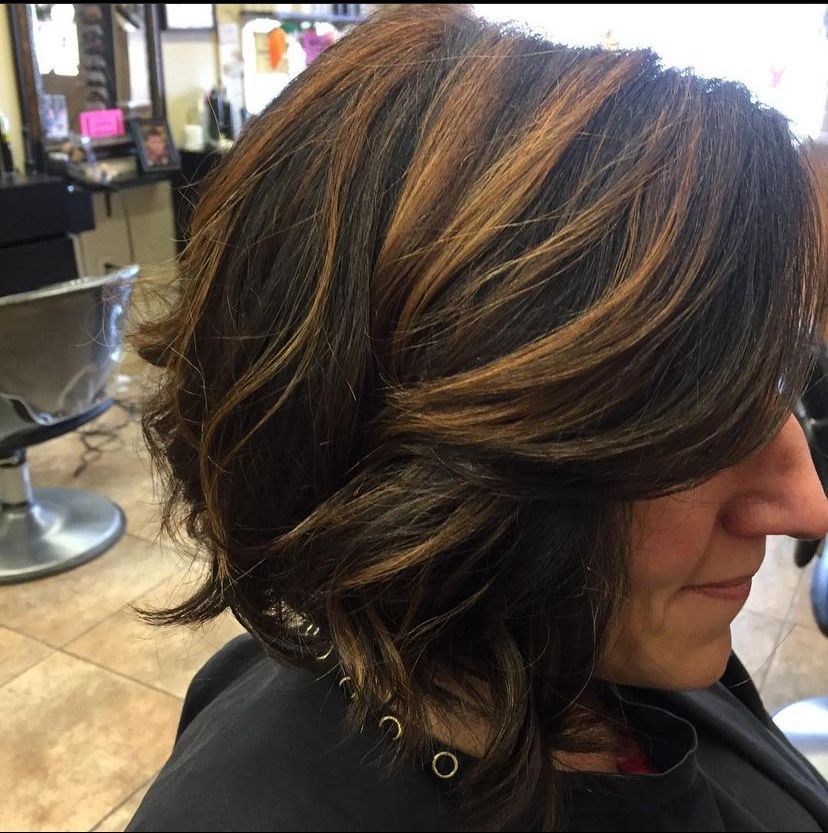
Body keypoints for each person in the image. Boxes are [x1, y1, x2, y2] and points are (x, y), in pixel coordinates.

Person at [127, 5, 828, 831]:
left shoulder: (599, 641)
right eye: (695, 426)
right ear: (435, 469)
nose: (807, 504)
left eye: (773, 386)